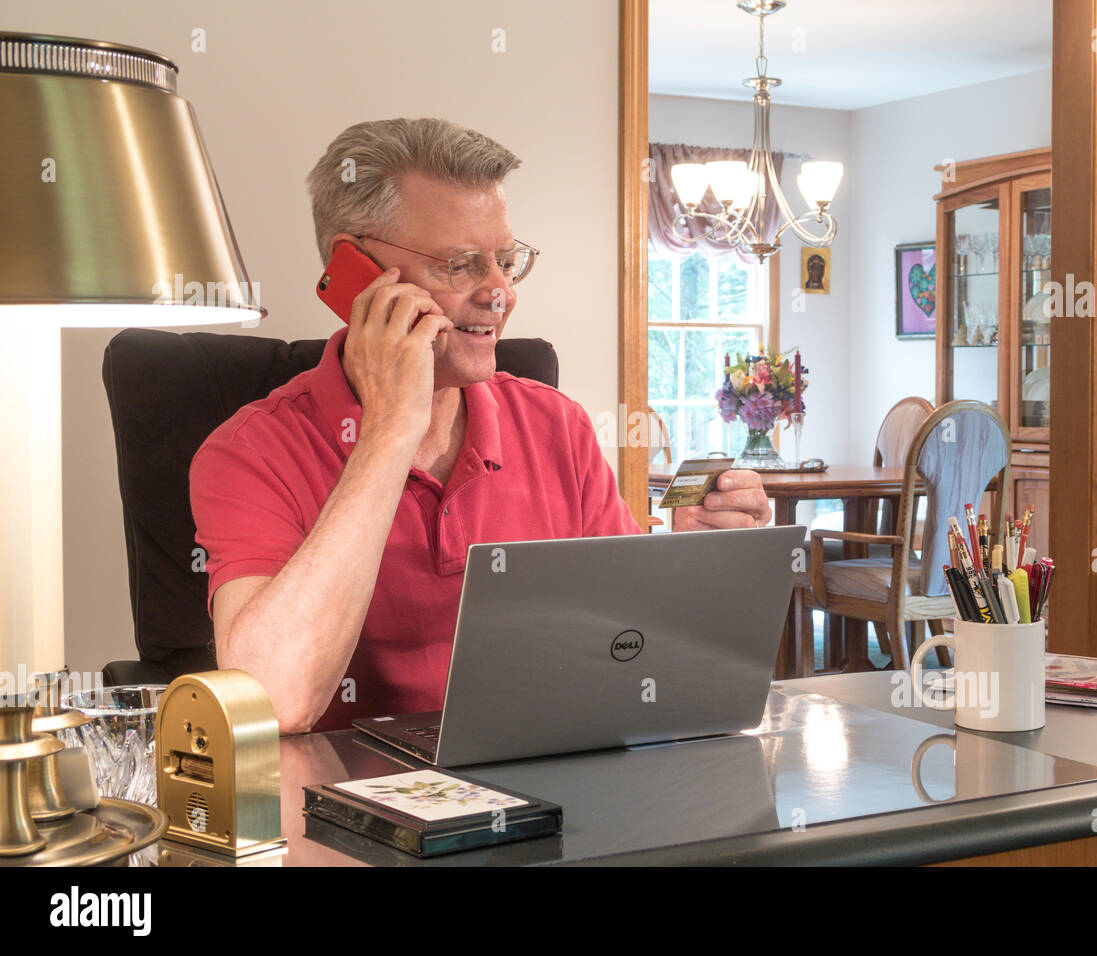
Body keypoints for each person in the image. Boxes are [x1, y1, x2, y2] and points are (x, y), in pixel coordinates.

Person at [190, 118, 772, 734]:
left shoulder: (557, 425)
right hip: (351, 806)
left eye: (506, 260)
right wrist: (389, 430)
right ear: (355, 275)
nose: (500, 294)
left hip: (550, 783)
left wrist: (695, 561)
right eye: (461, 265)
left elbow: (629, 652)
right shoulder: (249, 452)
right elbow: (273, 701)